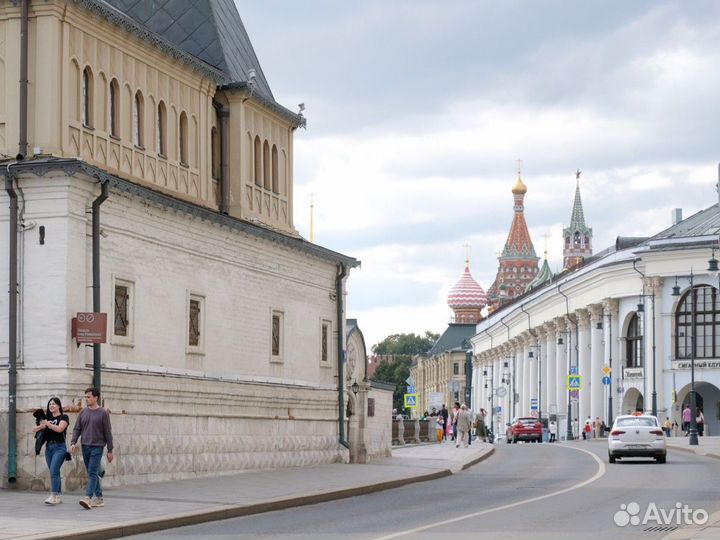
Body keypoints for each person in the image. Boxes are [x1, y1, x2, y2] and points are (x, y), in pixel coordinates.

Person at [70, 387, 114, 510]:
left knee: (93, 472)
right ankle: (99, 498)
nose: (86, 399)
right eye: (85, 397)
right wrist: (73, 442)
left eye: (89, 397)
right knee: (91, 472)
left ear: (96, 397)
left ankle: (88, 498)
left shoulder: (103, 413)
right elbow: (77, 428)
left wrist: (110, 450)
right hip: (85, 446)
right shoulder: (83, 412)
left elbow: (108, 432)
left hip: (97, 447)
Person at [32, 397, 70, 505]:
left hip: (60, 447)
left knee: (54, 470)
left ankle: (54, 495)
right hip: (49, 448)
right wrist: (41, 426)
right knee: (54, 471)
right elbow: (34, 430)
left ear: (58, 405)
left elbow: (59, 429)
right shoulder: (47, 418)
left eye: (53, 404)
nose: (51, 406)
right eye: (49, 405)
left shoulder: (64, 417)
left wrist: (48, 424)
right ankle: (58, 496)